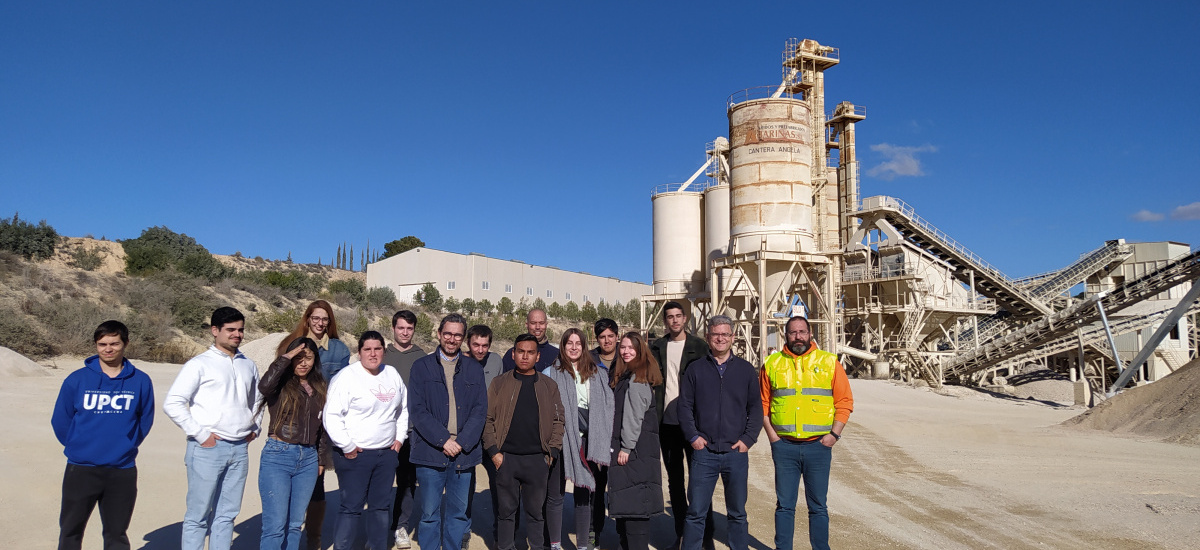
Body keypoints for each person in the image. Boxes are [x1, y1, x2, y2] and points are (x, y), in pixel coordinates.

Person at [52, 320, 155, 550]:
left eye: (114, 343)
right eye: (102, 344)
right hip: (81, 468)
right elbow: (61, 420)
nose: (108, 349)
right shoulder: (77, 379)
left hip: (122, 470)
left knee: (116, 534)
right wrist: (78, 446)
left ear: (125, 343)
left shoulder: (140, 381)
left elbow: (145, 420)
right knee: (70, 531)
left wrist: (125, 445)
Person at [164, 307, 261, 550]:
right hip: (207, 448)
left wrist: (254, 428)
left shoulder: (248, 365)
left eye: (240, 330)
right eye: (230, 330)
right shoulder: (199, 364)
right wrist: (201, 434)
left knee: (227, 514)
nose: (236, 335)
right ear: (215, 331)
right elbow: (173, 403)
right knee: (198, 515)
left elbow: (257, 401)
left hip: (239, 449)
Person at [761, 317, 854, 550]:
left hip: (818, 447)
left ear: (810, 333)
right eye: (793, 333)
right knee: (784, 506)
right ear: (785, 335)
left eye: (802, 332)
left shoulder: (829, 362)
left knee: (818, 506)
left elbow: (844, 402)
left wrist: (834, 435)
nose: (798, 337)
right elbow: (761, 403)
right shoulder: (772, 363)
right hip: (784, 448)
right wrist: (773, 437)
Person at [678, 316, 762, 550]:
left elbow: (755, 408)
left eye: (725, 334)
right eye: (716, 334)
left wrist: (748, 439)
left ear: (733, 337)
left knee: (737, 513)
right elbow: (684, 406)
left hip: (735, 453)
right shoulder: (695, 369)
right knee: (695, 512)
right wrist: (693, 437)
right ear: (708, 337)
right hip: (704, 454)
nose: (721, 338)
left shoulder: (745, 370)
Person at [408, 314, 488, 550]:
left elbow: (480, 410)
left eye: (457, 335)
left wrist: (461, 442)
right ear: (439, 333)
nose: (452, 339)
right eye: (448, 333)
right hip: (431, 452)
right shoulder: (421, 367)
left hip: (464, 453)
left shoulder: (473, 369)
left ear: (463, 338)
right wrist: (443, 440)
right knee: (430, 514)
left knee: (457, 515)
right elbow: (418, 410)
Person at [323, 331, 408, 550]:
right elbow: (331, 415)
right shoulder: (347, 377)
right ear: (359, 352)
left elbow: (403, 409)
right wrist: (347, 445)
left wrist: (399, 438)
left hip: (386, 454)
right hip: (355, 455)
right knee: (351, 508)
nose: (373, 354)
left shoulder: (392, 374)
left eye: (377, 348)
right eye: (367, 349)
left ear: (384, 351)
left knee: (380, 507)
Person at [276, 300, 350, 550]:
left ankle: (313, 540)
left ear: (330, 322)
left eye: (325, 319)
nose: (320, 323)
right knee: (290, 484)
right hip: (294, 423)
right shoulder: (290, 344)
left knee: (317, 482)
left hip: (324, 425)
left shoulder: (339, 350)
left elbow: (344, 386)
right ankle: (285, 536)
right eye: (315, 318)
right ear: (307, 318)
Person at [484, 334, 565, 550]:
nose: (525, 356)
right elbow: (487, 419)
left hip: (538, 460)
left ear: (538, 356)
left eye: (530, 352)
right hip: (506, 459)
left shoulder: (549, 385)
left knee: (536, 514)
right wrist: (494, 452)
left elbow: (559, 420)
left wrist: (552, 453)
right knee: (506, 513)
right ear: (513, 354)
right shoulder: (499, 383)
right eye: (521, 351)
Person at [649, 302, 713, 550]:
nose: (674, 321)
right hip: (666, 423)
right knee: (675, 482)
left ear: (685, 318)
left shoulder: (699, 346)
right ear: (665, 321)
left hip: (694, 425)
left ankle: (704, 536)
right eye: (670, 317)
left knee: (699, 483)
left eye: (678, 316)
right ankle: (681, 535)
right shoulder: (657, 346)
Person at [544, 328, 614, 550]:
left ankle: (583, 545)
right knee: (555, 495)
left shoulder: (597, 373)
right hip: (560, 440)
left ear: (584, 347)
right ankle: (555, 543)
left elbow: (606, 407)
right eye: (569, 343)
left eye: (578, 343)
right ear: (562, 346)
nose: (573, 347)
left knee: (585, 494)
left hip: (588, 441)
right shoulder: (550, 373)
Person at [257, 337, 329, 550]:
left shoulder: (319, 387)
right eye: (298, 358)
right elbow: (264, 386)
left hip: (308, 459)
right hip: (279, 455)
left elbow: (323, 428)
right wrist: (285, 359)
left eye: (308, 357)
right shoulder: (279, 384)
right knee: (275, 526)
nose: (303, 363)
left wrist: (321, 458)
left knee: (295, 525)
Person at [608, 332, 664, 550]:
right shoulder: (627, 375)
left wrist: (626, 447)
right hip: (636, 455)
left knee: (635, 516)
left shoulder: (637, 379)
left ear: (641, 351)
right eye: (623, 347)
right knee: (628, 514)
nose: (626, 351)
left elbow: (633, 416)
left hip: (634, 455)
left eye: (631, 348)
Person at [384, 310, 426, 550]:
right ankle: (378, 528)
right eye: (401, 328)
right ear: (393, 328)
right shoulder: (381, 353)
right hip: (382, 433)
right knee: (380, 483)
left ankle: (400, 526)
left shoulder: (420, 357)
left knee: (407, 482)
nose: (405, 332)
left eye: (409, 329)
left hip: (411, 432)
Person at [464, 323, 504, 545]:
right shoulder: (460, 362)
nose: (480, 350)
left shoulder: (496, 361)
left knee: (499, 485)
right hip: (467, 436)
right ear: (468, 343)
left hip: (492, 436)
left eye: (485, 345)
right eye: (476, 345)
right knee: (465, 487)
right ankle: (463, 531)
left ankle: (501, 533)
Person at [584, 317, 620, 544]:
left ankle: (622, 533)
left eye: (610, 336)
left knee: (619, 486)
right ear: (597, 338)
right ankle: (593, 532)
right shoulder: (588, 359)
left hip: (619, 432)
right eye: (602, 337)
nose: (606, 341)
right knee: (594, 486)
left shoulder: (627, 356)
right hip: (594, 431)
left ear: (617, 336)